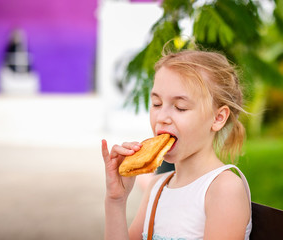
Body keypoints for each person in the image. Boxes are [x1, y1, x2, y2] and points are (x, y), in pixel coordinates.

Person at [101, 49, 252, 240]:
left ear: (218, 118)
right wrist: (116, 200)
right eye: (156, 104)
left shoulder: (223, 189)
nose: (162, 117)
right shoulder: (157, 186)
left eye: (180, 107)